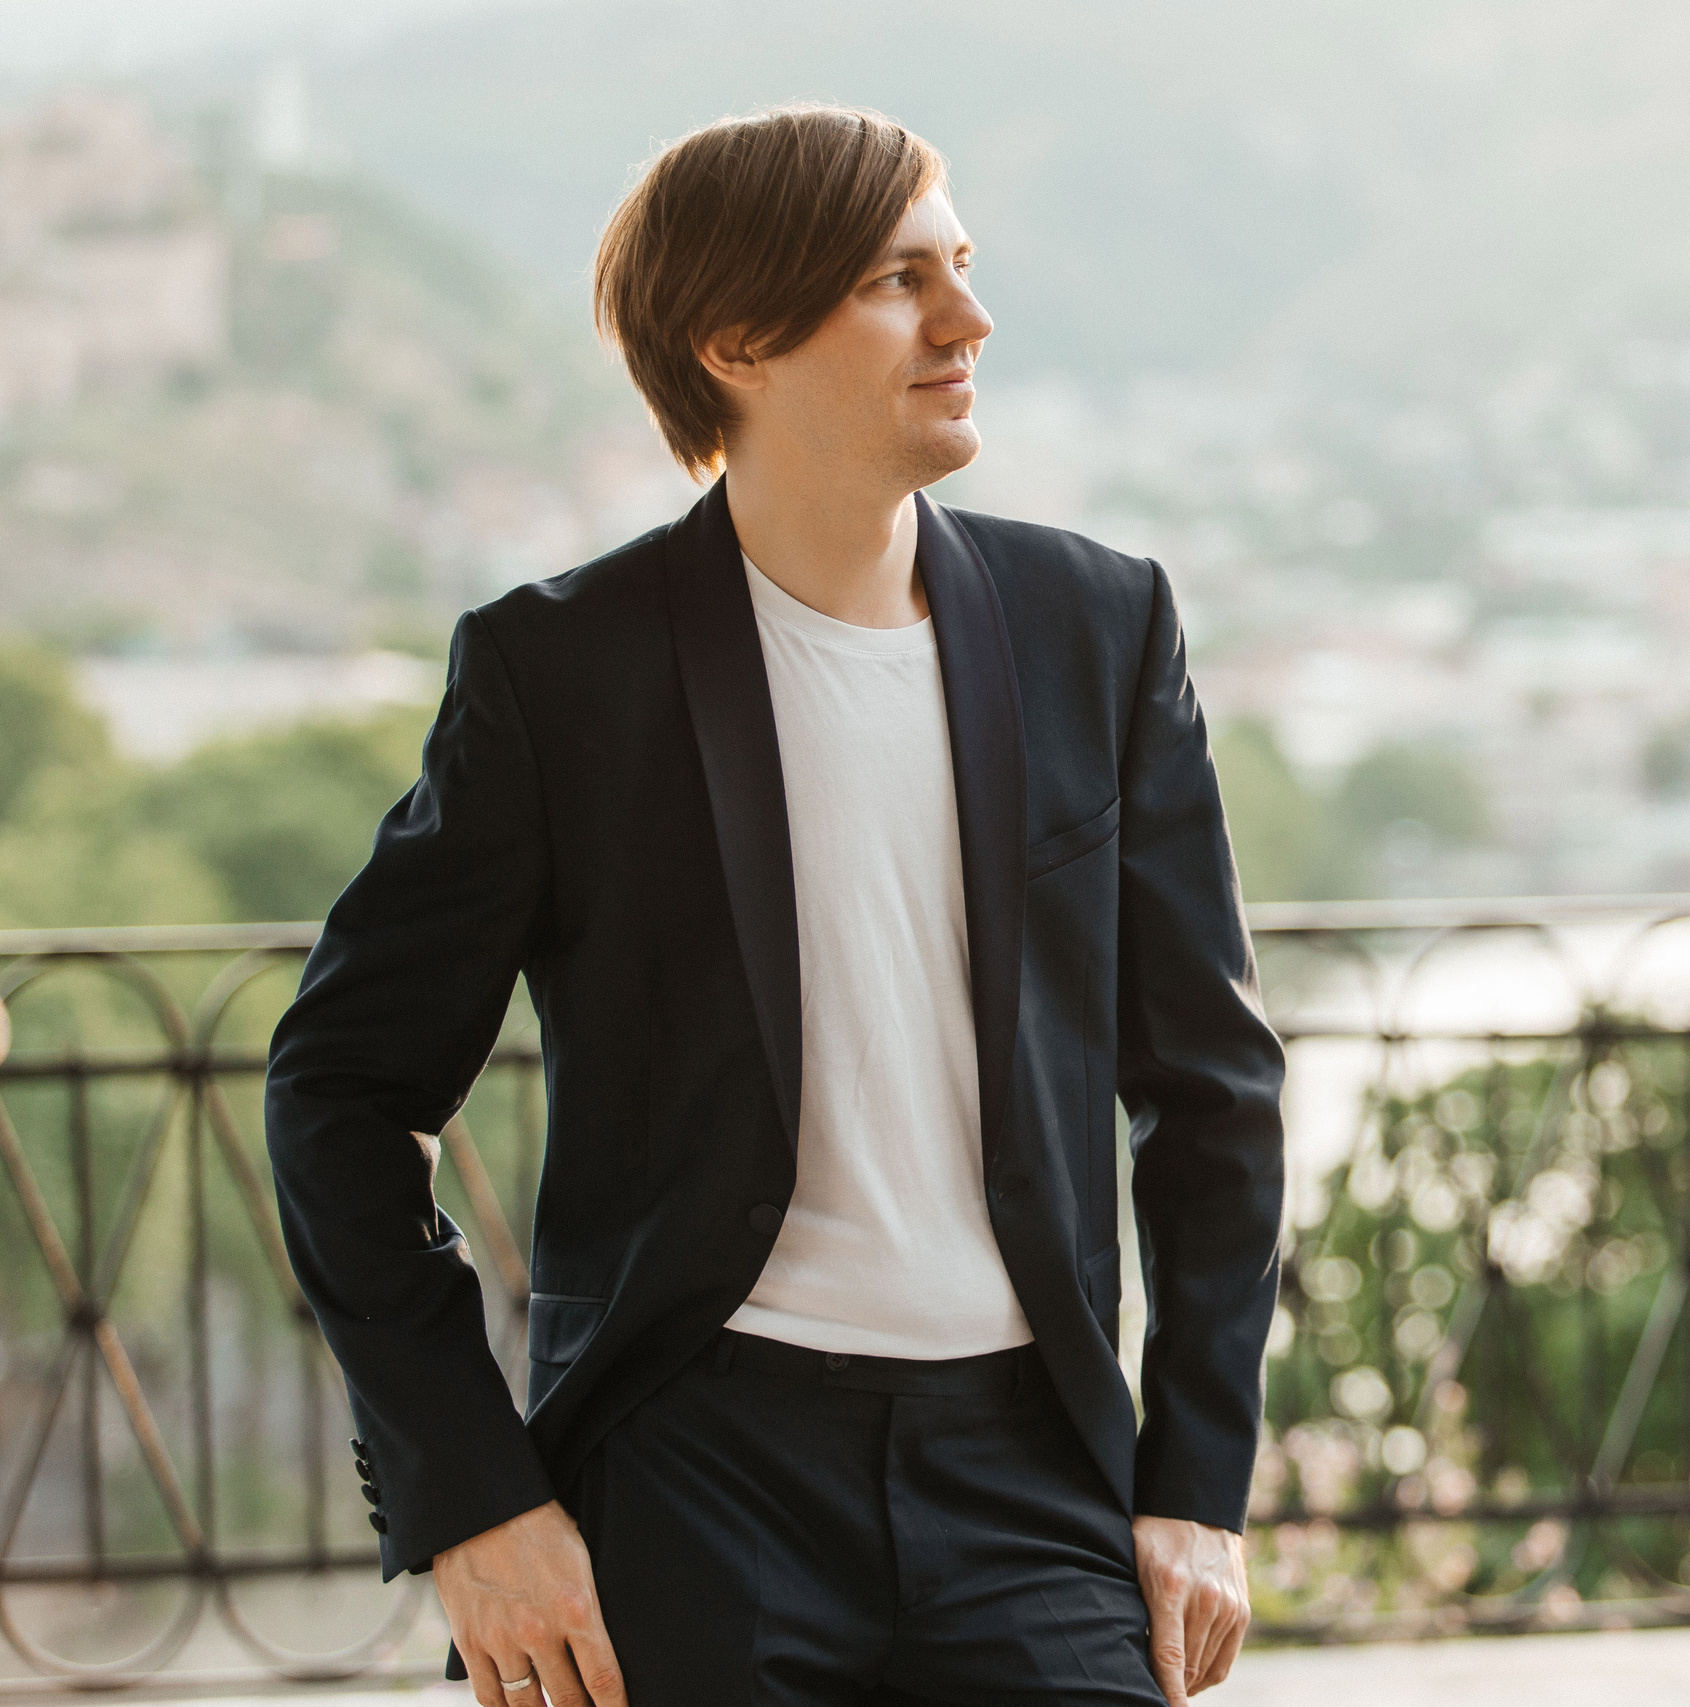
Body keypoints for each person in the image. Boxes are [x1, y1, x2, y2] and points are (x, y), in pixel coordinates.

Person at [265, 105, 1285, 1707]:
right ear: (737, 338)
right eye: (899, 280)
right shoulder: (559, 676)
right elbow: (338, 1093)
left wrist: (1197, 1480)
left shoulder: (1100, 624)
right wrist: (477, 1497)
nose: (968, 319)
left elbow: (1214, 1093)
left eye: (959, 267)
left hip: (1030, 1467)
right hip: (696, 1467)